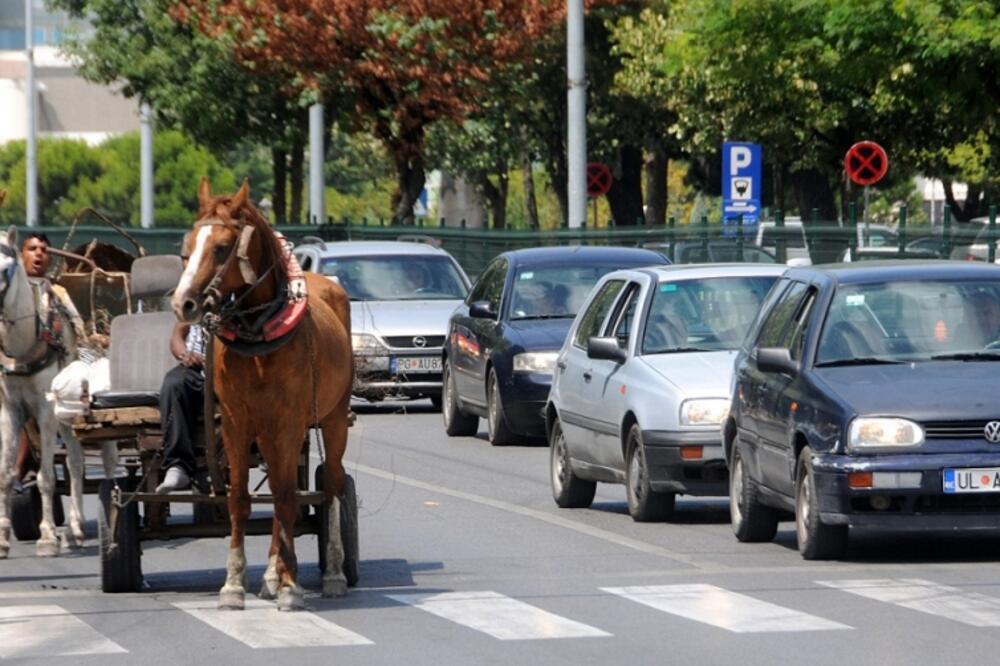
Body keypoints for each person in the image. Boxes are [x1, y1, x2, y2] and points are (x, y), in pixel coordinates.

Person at [12, 233, 86, 489]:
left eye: (44, 249)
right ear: (21, 254)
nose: (39, 253)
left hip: (48, 380)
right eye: (32, 248)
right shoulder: (7, 294)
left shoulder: (57, 293)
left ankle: (18, 470)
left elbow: (77, 332)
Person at [154, 320, 206, 493]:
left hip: (235, 366)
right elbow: (177, 334)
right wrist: (185, 354)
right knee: (174, 384)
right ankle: (178, 467)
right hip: (197, 367)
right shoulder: (195, 300)